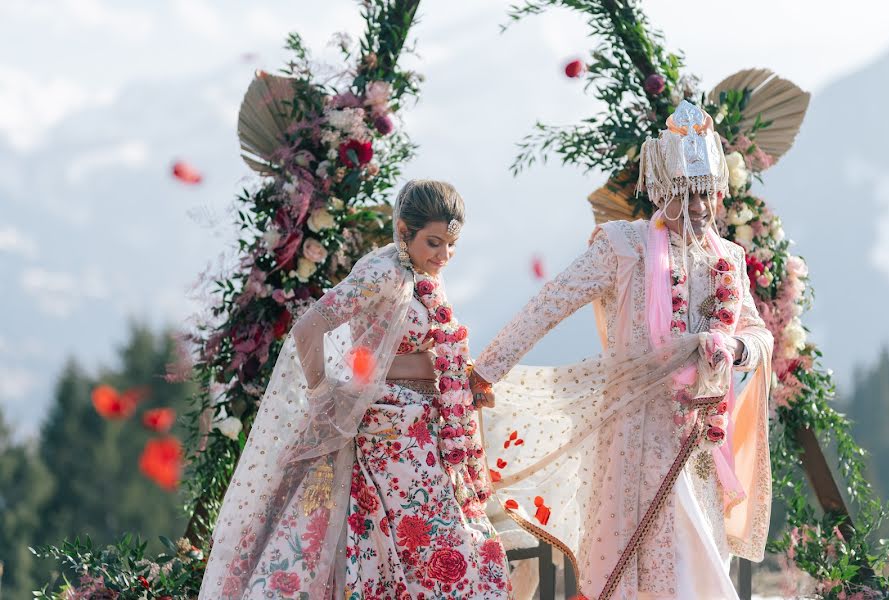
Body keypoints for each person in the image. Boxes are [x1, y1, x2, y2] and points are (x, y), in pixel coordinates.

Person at [470, 100, 774, 599]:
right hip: (638, 433)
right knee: (653, 560)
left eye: (707, 194)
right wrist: (487, 369)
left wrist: (734, 345)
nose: (699, 207)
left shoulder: (730, 259)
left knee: (700, 560)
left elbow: (758, 332)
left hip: (703, 441)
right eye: (686, 194)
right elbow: (550, 303)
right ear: (661, 189)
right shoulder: (623, 246)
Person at [201, 180, 512, 599]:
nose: (444, 256)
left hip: (420, 426)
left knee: (445, 544)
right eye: (434, 243)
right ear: (404, 230)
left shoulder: (420, 275)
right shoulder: (384, 273)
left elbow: (427, 347)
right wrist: (322, 396)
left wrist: (462, 377)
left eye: (451, 246)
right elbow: (309, 329)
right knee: (431, 545)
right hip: (387, 431)